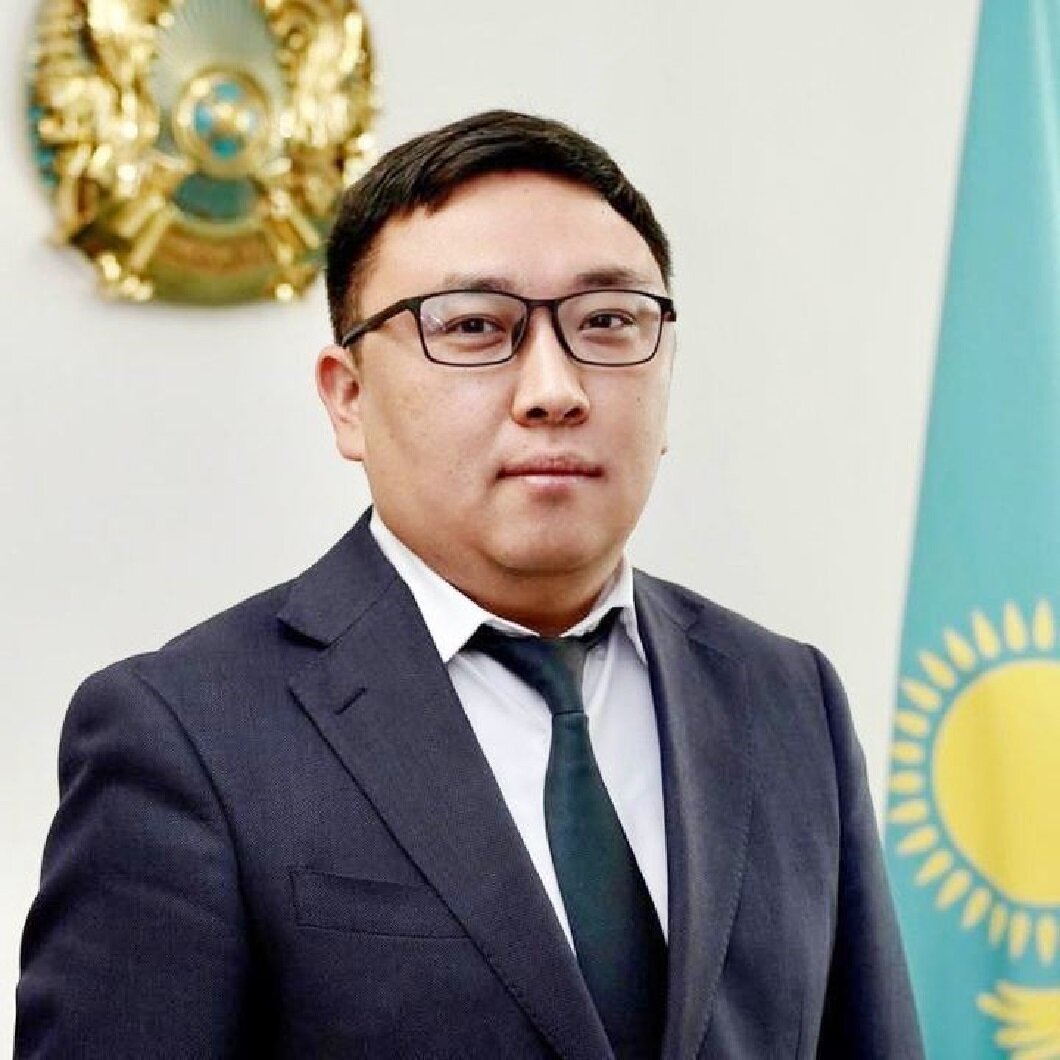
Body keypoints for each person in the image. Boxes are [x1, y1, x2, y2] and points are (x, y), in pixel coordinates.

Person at [15, 110, 923, 1059]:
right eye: (475, 327)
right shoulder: (187, 733)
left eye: (608, 322)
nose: (555, 390)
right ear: (348, 397)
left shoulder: (788, 700)